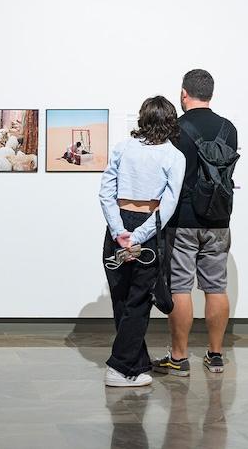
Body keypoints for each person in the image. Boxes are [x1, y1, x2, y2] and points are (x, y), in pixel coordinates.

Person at [153, 70, 239, 376]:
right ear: (211, 93)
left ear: (183, 93)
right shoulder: (228, 128)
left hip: (183, 219)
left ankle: (179, 357)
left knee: (180, 287)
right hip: (219, 218)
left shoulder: (177, 128)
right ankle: (215, 355)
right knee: (216, 287)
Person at [99, 96, 186, 387]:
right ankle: (119, 368)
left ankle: (135, 365)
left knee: (122, 299)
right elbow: (168, 206)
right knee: (138, 301)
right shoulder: (174, 156)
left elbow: (105, 193)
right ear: (170, 122)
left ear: (143, 119)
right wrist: (136, 237)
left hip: (119, 226)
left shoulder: (123, 148)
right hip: (148, 231)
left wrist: (118, 231)